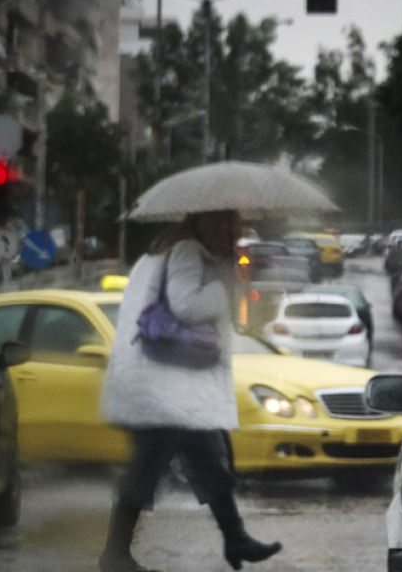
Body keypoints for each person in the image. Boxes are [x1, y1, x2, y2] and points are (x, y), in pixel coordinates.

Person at [99, 210, 281, 572]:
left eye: (233, 226)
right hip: (164, 386)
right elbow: (186, 306)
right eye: (222, 224)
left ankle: (236, 539)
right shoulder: (185, 251)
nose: (229, 232)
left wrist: (229, 279)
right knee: (148, 464)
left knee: (208, 457)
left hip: (170, 381)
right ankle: (114, 554)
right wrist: (223, 284)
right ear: (202, 222)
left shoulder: (171, 252)